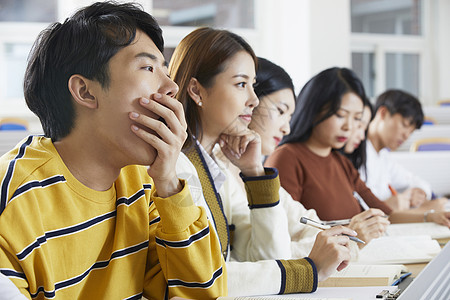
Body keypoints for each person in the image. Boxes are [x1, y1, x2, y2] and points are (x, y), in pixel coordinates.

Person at [0, 2, 226, 299]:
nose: (171, 88)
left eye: (166, 71)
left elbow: (205, 293)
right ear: (85, 91)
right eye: (147, 67)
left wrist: (170, 183)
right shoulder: (15, 201)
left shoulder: (141, 182)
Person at [169, 28, 356, 296]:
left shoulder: (213, 167)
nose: (253, 100)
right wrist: (309, 268)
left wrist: (255, 174)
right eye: (241, 84)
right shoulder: (176, 167)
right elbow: (204, 279)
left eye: (252, 85)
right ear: (197, 90)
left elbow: (270, 257)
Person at [265, 67, 450, 229]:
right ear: (314, 109)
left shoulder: (341, 163)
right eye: (340, 115)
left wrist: (430, 216)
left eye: (356, 119)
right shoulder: (287, 158)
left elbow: (385, 214)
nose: (349, 127)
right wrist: (351, 230)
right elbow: (288, 230)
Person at [364, 89, 441, 210]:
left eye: (411, 132)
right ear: (383, 113)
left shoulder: (383, 155)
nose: (406, 136)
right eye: (404, 125)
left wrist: (419, 191)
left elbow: (413, 180)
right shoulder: (357, 152)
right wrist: (387, 206)